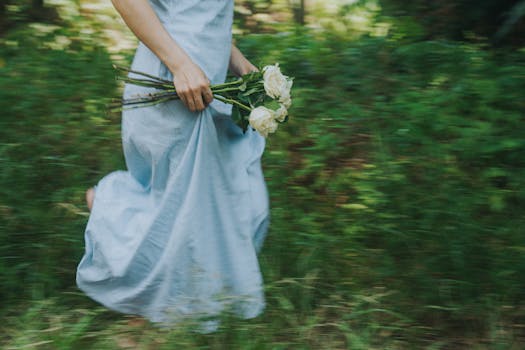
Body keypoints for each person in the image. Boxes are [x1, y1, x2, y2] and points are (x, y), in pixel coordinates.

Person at [76, 0, 270, 331]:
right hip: (175, 83)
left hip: (207, 82)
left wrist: (241, 66)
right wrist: (180, 65)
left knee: (226, 200)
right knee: (182, 210)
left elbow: (198, 13)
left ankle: (184, 308)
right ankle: (112, 211)